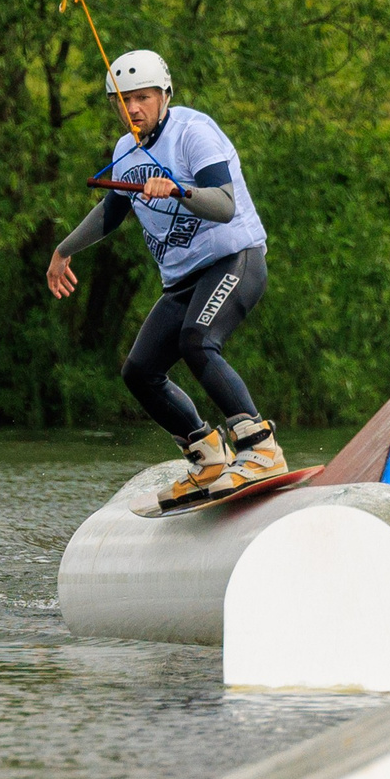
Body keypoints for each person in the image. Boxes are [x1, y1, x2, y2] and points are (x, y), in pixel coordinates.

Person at [46, 49, 287, 509]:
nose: (132, 108)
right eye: (123, 100)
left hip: (234, 259)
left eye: (142, 97)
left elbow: (224, 204)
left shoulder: (193, 132)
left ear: (164, 95)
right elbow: (112, 211)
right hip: (183, 280)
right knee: (139, 371)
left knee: (197, 340)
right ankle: (208, 458)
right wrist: (63, 251)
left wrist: (178, 188)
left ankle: (260, 448)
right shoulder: (125, 151)